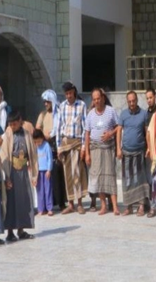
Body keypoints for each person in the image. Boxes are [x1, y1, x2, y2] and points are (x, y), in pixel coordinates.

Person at [0, 111, 37, 242]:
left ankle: (21, 230)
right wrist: (7, 176)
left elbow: (33, 153)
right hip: (12, 172)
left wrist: (34, 174)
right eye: (10, 124)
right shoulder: (8, 134)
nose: (12, 126)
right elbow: (4, 154)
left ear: (20, 121)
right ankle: (10, 232)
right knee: (11, 202)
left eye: (14, 124)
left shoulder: (26, 134)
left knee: (24, 200)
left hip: (23, 172)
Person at [84, 88, 119, 216]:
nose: (97, 101)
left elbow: (119, 127)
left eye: (98, 98)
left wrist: (110, 134)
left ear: (103, 98)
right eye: (94, 99)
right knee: (98, 178)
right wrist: (87, 153)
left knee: (110, 176)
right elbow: (87, 134)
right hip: (95, 149)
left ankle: (115, 206)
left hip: (108, 148)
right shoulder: (90, 114)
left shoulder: (111, 111)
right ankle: (103, 205)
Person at [55, 82, 88, 214]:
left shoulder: (82, 105)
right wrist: (58, 147)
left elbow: (85, 127)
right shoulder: (62, 106)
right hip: (66, 143)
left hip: (77, 143)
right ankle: (70, 204)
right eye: (66, 94)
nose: (69, 96)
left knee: (78, 173)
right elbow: (59, 127)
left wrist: (84, 147)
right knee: (67, 174)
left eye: (70, 93)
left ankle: (79, 203)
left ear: (74, 91)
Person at [116, 91, 151, 216]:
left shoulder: (143, 114)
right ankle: (128, 206)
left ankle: (141, 206)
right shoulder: (123, 114)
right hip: (126, 152)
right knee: (127, 180)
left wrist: (149, 148)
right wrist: (118, 148)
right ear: (127, 101)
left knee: (140, 179)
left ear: (137, 100)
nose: (131, 103)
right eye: (129, 101)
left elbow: (147, 132)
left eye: (133, 101)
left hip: (139, 152)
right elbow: (119, 131)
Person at [33, 129, 54, 217]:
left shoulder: (46, 145)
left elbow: (50, 158)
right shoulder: (35, 147)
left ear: (42, 138)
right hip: (38, 171)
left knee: (47, 189)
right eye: (36, 142)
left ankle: (49, 208)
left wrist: (49, 170)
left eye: (39, 141)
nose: (38, 143)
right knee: (40, 191)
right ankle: (41, 209)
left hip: (46, 171)